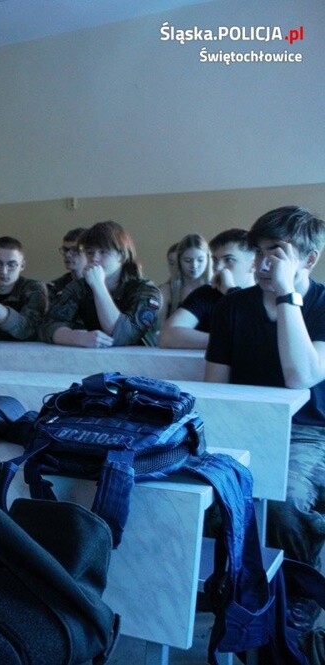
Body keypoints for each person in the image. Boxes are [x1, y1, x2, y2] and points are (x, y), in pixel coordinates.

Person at [204, 205, 325, 633]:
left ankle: (300, 594)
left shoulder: (323, 305)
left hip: (307, 433)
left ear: (308, 259)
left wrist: (288, 295)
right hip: (244, 426)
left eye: (276, 252)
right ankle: (230, 586)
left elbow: (301, 377)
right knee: (203, 496)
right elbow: (216, 386)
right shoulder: (233, 307)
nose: (262, 263)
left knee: (283, 502)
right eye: (257, 251)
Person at [40, 220, 161, 347]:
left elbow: (122, 336)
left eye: (103, 252)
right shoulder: (80, 287)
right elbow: (48, 325)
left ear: (121, 256)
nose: (94, 258)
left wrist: (99, 286)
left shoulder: (146, 290)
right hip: (96, 357)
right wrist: (77, 337)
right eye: (90, 252)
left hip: (137, 358)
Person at [160, 229, 256, 349]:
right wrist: (230, 341)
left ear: (253, 265)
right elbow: (167, 336)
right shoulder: (206, 293)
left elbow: (255, 335)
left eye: (228, 260)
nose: (218, 267)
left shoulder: (267, 295)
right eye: (215, 260)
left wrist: (230, 291)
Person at [155, 233, 213, 332]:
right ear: (179, 261)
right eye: (188, 260)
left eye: (200, 260)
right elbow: (159, 330)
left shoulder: (216, 288)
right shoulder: (167, 290)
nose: (194, 265)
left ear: (208, 260)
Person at [47, 228, 88, 299]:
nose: (67, 255)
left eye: (75, 250)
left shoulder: (100, 285)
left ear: (89, 252)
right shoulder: (55, 287)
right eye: (65, 250)